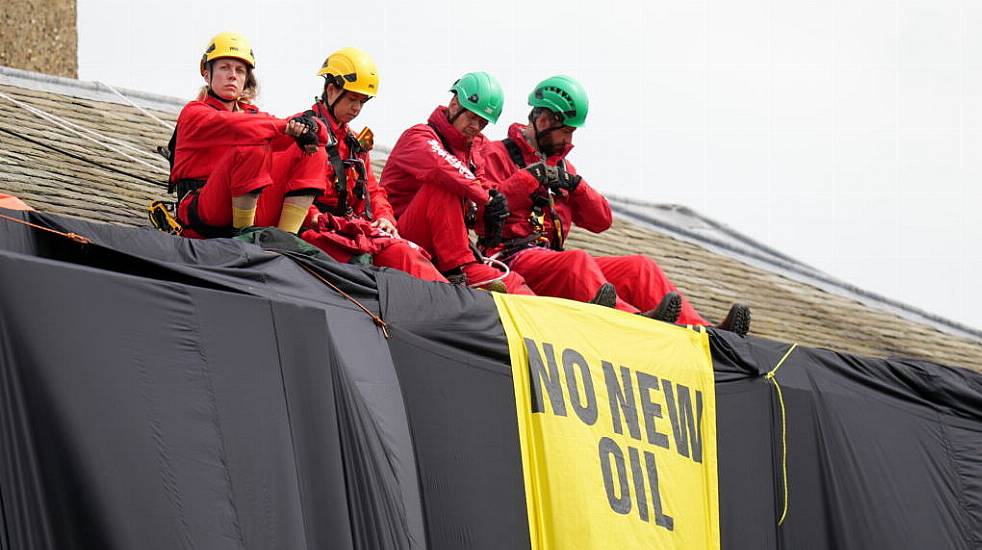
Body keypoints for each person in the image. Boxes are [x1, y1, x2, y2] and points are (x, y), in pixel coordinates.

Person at [480, 75, 751, 334]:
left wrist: (576, 186)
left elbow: (601, 221)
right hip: (509, 259)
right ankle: (635, 321)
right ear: (543, 119)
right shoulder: (494, 153)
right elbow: (483, 210)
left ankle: (702, 331)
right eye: (565, 132)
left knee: (640, 267)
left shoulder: (563, 168)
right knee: (576, 262)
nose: (569, 141)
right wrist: (529, 178)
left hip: (549, 260)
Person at [289, 47, 446, 282]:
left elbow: (373, 190)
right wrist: (319, 219)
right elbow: (291, 190)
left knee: (407, 253)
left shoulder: (355, 143)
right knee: (399, 257)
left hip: (352, 230)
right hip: (319, 231)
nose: (357, 108)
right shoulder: (305, 132)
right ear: (331, 90)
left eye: (362, 101)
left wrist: (385, 218)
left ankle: (456, 299)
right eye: (352, 99)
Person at [379, 72, 536, 294]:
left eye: (482, 122)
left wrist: (490, 213)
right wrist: (486, 197)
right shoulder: (417, 137)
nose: (476, 126)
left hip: (447, 252)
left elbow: (477, 198)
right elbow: (442, 168)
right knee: (445, 184)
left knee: (514, 284)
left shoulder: (474, 151)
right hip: (402, 239)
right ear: (454, 104)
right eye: (472, 117)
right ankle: (458, 277)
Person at [169, 32, 328, 238]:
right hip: (204, 210)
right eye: (224, 67)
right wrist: (288, 126)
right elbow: (240, 127)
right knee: (252, 144)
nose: (233, 75)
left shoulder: (253, 115)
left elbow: (314, 137)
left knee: (313, 152)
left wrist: (312, 128)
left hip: (246, 204)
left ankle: (284, 240)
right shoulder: (195, 113)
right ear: (207, 74)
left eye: (240, 70)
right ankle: (243, 238)